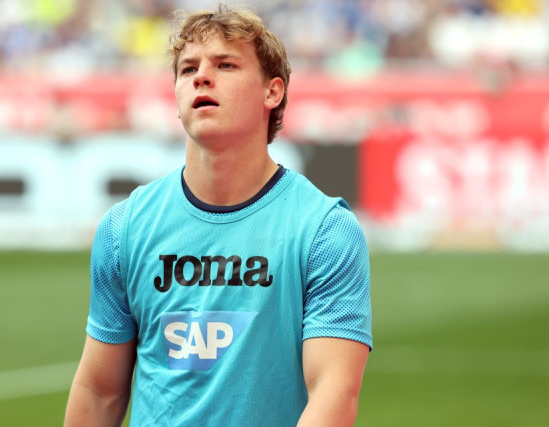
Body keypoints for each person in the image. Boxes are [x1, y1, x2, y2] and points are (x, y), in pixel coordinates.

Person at [65, 4, 372, 426]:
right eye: (188, 68)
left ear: (272, 93)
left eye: (225, 65)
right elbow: (100, 391)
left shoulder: (325, 231)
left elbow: (333, 393)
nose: (201, 77)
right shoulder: (124, 228)